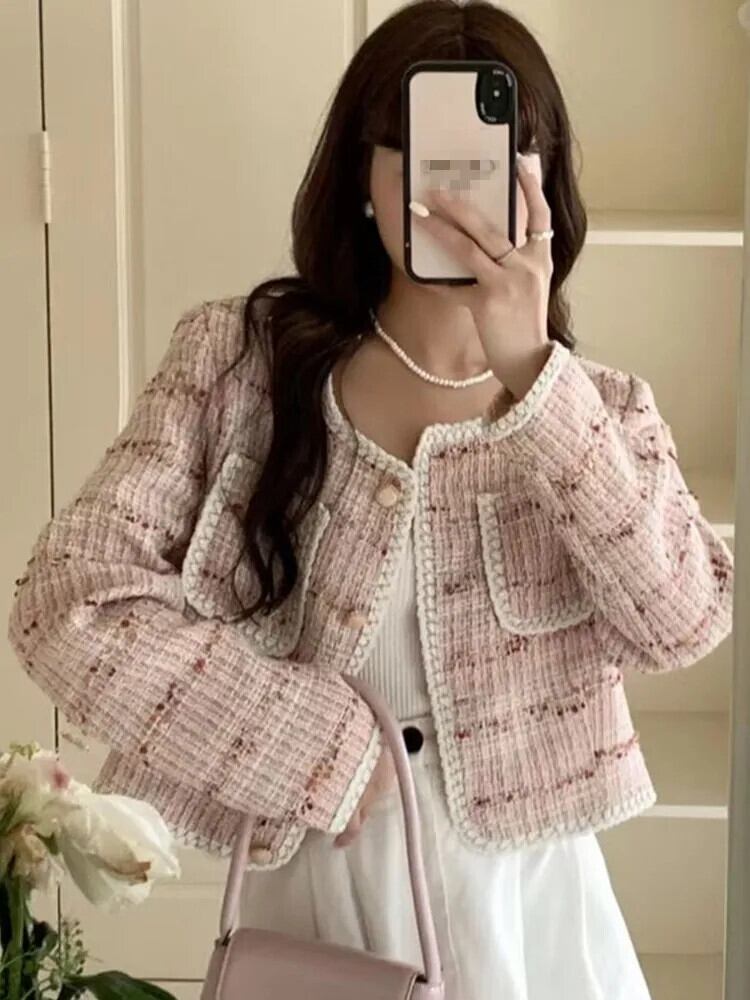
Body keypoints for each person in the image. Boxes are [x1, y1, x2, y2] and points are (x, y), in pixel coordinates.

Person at [7, 2, 734, 998]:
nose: (458, 189)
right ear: (364, 176)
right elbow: (68, 603)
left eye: (493, 156)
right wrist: (315, 744)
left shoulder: (597, 412)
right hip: (316, 908)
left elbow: (683, 620)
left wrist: (533, 371)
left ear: (542, 180)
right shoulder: (240, 365)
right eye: (428, 154)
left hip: (531, 925)